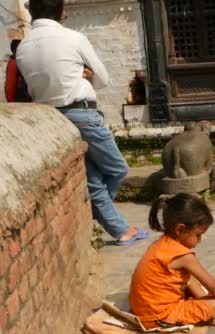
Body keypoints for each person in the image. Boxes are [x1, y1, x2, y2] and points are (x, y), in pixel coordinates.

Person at [17, 0, 147, 245]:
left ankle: (119, 229)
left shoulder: (23, 46)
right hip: (82, 114)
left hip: (51, 119)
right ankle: (99, 215)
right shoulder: (72, 38)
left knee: (94, 179)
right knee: (117, 168)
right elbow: (104, 79)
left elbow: (34, 87)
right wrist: (88, 77)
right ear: (61, 12)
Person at [129, 193, 215, 328]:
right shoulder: (184, 256)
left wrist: (204, 300)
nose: (199, 240)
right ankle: (210, 315)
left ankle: (208, 313)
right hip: (159, 318)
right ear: (180, 229)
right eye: (198, 235)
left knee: (190, 281)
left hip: (143, 313)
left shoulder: (160, 244)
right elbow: (212, 284)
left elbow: (190, 281)